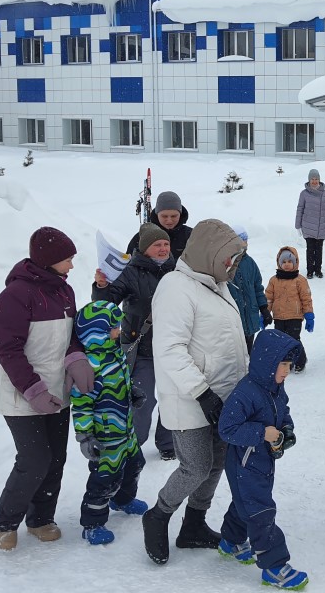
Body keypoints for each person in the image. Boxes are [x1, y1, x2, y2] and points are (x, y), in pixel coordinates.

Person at [142, 219, 249, 565]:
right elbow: (170, 349)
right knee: (196, 467)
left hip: (222, 397)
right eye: (228, 257)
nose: (231, 264)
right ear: (209, 252)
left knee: (216, 464)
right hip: (190, 399)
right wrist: (203, 393)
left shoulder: (217, 284)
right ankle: (158, 515)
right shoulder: (176, 287)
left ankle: (194, 525)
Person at [0, 226, 94, 551]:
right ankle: (5, 522)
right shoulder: (15, 296)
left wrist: (76, 359)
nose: (72, 265)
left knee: (56, 459)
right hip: (21, 395)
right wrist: (33, 390)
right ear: (48, 260)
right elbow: (8, 350)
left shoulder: (64, 292)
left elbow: (70, 336)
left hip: (57, 392)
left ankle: (40, 519)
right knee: (34, 460)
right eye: (68, 259)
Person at [217, 329, 309, 590]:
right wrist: (261, 433)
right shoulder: (245, 393)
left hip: (263, 461)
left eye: (290, 365)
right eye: (283, 364)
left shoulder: (275, 389)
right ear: (267, 363)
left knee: (245, 502)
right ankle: (274, 567)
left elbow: (283, 411)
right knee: (260, 511)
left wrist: (286, 429)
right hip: (244, 463)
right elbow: (227, 429)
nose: (287, 371)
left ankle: (230, 542)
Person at [93, 222, 177, 461]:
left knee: (172, 398)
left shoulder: (178, 271)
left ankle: (167, 444)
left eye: (166, 244)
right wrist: (101, 287)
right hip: (142, 349)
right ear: (144, 248)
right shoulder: (129, 271)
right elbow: (106, 304)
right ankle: (133, 443)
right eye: (157, 245)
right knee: (142, 400)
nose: (163, 248)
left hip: (172, 347)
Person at [71, 301, 148, 545]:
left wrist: (132, 392)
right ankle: (92, 523)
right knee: (105, 478)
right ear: (97, 333)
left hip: (126, 430)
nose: (119, 330)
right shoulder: (90, 367)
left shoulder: (115, 353)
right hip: (106, 437)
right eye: (113, 327)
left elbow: (121, 380)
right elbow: (81, 405)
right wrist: (85, 436)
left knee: (136, 463)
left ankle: (122, 500)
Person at [265, 246, 314, 373]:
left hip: (295, 316)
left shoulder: (300, 280)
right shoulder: (274, 280)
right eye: (284, 262)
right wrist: (265, 314)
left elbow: (306, 298)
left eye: (290, 261)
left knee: (293, 339)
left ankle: (300, 360)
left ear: (295, 262)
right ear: (279, 263)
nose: (287, 264)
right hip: (279, 316)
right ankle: (287, 363)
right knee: (281, 341)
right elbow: (268, 298)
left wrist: (309, 315)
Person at [229, 225, 271, 353]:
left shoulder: (250, 263)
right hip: (234, 319)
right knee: (235, 352)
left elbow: (258, 288)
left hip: (250, 316)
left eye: (246, 241)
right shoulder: (226, 264)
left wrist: (264, 308)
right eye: (241, 241)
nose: (244, 244)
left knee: (249, 351)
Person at [127, 191, 193, 259]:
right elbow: (128, 261)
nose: (169, 220)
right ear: (157, 215)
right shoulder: (143, 236)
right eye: (164, 216)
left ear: (180, 214)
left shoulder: (191, 235)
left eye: (174, 216)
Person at [295, 168, 325, 279]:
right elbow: (300, 209)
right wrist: (298, 225)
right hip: (308, 227)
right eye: (312, 179)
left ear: (319, 180)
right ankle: (310, 270)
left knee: (319, 251)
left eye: (316, 179)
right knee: (310, 250)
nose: (314, 181)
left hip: (321, 227)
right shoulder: (304, 194)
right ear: (309, 180)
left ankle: (318, 270)